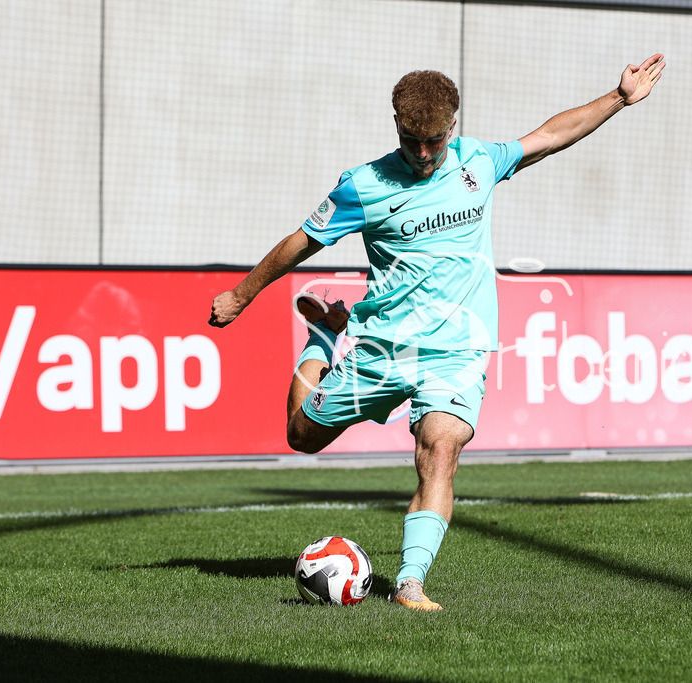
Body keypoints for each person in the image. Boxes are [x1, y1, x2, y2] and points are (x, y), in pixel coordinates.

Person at [209, 54, 665, 611]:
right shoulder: (363, 185)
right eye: (410, 140)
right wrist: (242, 294)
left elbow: (549, 137)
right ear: (396, 126)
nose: (422, 153)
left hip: (457, 350)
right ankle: (325, 337)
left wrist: (618, 98)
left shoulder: (479, 162)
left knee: (440, 449)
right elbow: (301, 241)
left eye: (433, 141)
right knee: (301, 435)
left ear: (453, 125)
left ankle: (410, 584)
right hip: (387, 348)